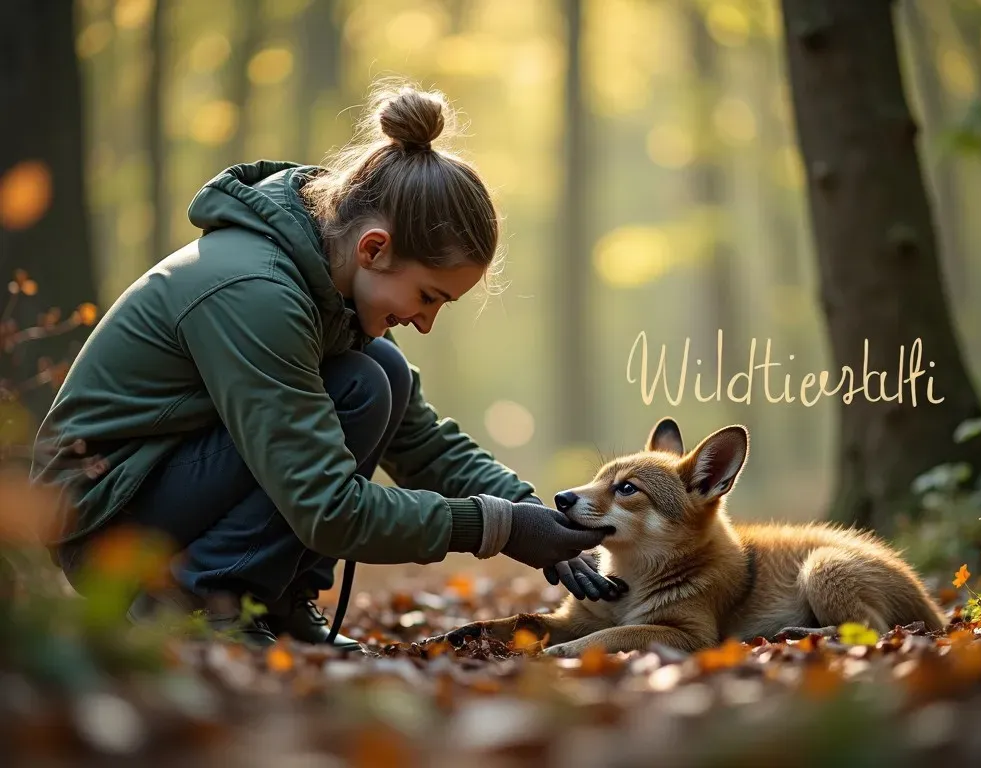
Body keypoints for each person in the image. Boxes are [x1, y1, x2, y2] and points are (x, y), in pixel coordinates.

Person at [30, 81, 624, 650]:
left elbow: (423, 445)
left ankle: (278, 601)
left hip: (163, 486)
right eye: (428, 297)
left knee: (379, 374)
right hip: (106, 523)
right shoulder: (255, 293)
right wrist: (501, 528)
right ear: (373, 247)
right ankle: (207, 606)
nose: (425, 322)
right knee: (367, 379)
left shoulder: (324, 294)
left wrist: (530, 514)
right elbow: (329, 509)